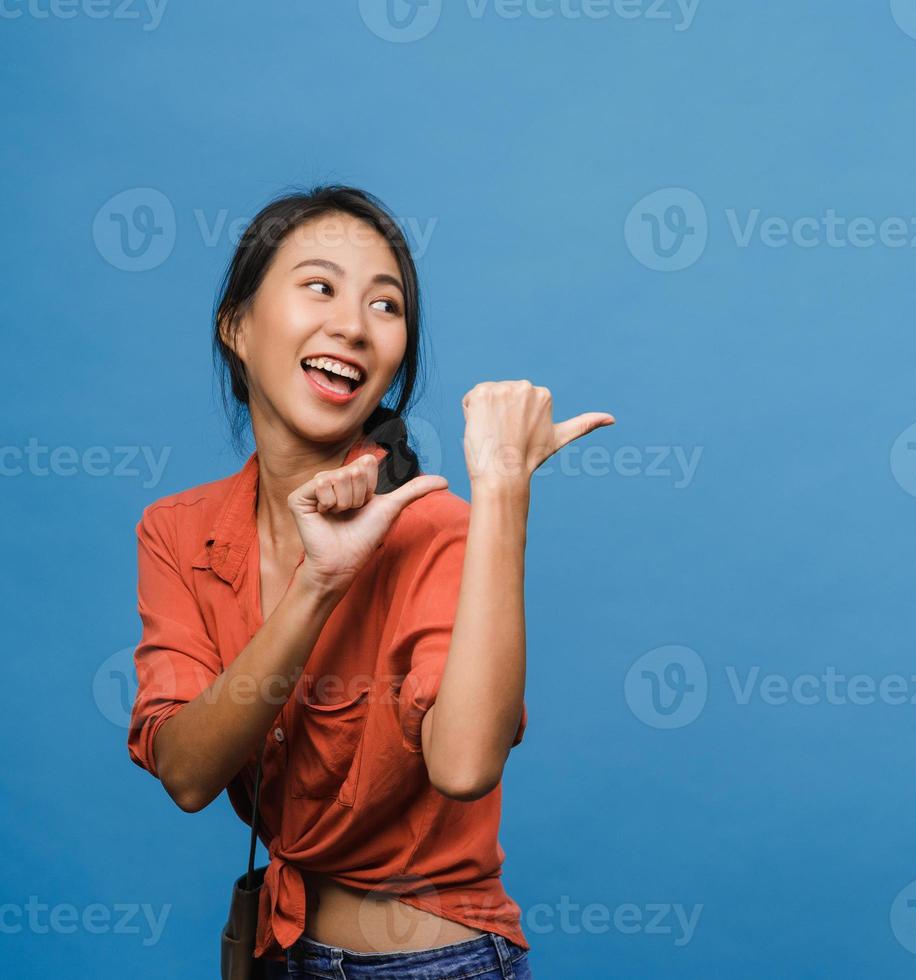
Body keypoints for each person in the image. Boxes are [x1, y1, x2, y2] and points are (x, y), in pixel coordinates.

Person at [125, 184, 613, 978]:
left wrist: (502, 492)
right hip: (283, 954)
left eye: (385, 306)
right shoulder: (178, 532)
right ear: (237, 326)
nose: (352, 325)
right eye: (319, 287)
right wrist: (318, 584)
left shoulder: (437, 530)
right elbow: (185, 772)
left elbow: (464, 766)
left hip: (438, 964)